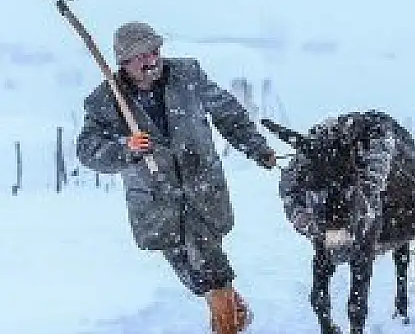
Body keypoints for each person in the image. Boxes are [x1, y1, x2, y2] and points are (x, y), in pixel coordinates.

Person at [75, 21, 277, 334]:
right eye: (142, 55)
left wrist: (258, 148)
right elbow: (87, 150)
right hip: (157, 202)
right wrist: (125, 148)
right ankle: (236, 312)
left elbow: (229, 114)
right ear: (124, 61)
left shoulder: (187, 75)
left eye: (154, 50)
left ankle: (227, 325)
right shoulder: (106, 100)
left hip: (202, 189)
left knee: (211, 266)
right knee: (190, 269)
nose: (152, 59)